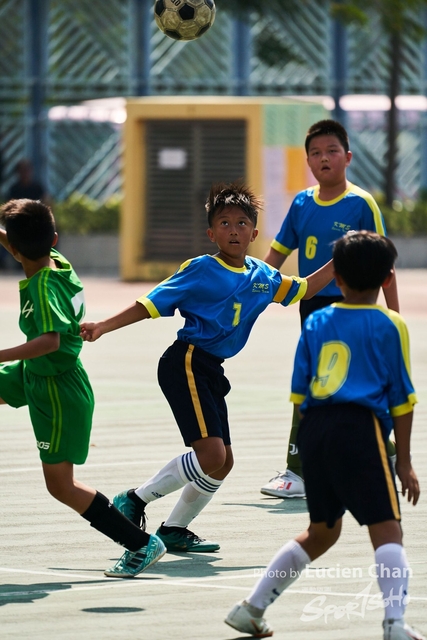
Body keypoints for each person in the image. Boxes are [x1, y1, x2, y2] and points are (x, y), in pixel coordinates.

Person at [80, 181, 335, 554]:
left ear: (254, 232)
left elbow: (305, 289)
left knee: (223, 463)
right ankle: (134, 499)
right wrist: (103, 326)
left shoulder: (262, 276)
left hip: (212, 369)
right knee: (211, 457)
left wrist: (340, 260)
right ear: (211, 232)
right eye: (225, 223)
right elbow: (149, 303)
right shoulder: (200, 269)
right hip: (186, 361)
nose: (234, 230)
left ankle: (174, 529)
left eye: (241, 223)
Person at [225, 231, 424, 640]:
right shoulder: (391, 324)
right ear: (388, 278)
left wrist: (306, 447)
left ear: (339, 280)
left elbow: (300, 393)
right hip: (359, 428)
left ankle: (252, 608)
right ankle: (395, 626)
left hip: (316, 429)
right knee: (387, 529)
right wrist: (403, 461)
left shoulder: (316, 321)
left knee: (323, 531)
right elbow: (402, 400)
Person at [0, 199, 166, 578]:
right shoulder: (57, 261)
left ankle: (140, 544)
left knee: (61, 485)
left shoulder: (43, 287)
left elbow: (50, 342)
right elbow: (22, 239)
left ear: (13, 250)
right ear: (53, 238)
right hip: (36, 374)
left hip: (57, 390)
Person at [261, 118, 400, 500]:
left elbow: (384, 264)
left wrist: (392, 314)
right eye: (316, 153)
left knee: (321, 382)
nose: (324, 158)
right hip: (310, 307)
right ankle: (381, 451)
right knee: (324, 383)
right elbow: (277, 253)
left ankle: (297, 472)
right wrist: (250, 285)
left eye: (332, 151)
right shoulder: (302, 202)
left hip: (352, 305)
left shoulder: (361, 203)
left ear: (348, 157)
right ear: (307, 161)